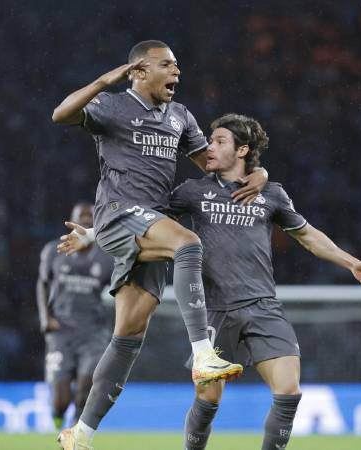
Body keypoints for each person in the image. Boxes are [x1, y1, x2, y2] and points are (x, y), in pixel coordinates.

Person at [62, 113, 361, 449]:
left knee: (289, 392)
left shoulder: (271, 194)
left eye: (219, 142)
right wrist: (94, 235)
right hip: (214, 310)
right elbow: (144, 221)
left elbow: (308, 236)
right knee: (207, 400)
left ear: (242, 151)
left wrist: (351, 263)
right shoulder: (192, 192)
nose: (208, 147)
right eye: (210, 140)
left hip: (262, 305)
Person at [52, 40, 267, 449]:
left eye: (178, 66)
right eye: (167, 65)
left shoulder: (180, 117)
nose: (177, 73)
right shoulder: (112, 106)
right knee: (188, 242)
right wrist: (104, 80)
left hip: (149, 225)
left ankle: (81, 433)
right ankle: (204, 355)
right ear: (139, 70)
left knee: (128, 336)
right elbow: (60, 114)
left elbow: (213, 166)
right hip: (119, 212)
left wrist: (258, 173)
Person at [37, 203, 114, 430]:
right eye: (82, 217)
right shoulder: (54, 250)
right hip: (61, 331)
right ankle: (58, 415)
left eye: (91, 217)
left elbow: (120, 289)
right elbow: (42, 283)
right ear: (71, 220)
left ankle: (74, 434)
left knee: (84, 391)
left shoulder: (106, 256)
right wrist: (44, 317)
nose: (87, 220)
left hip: (93, 333)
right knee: (61, 399)